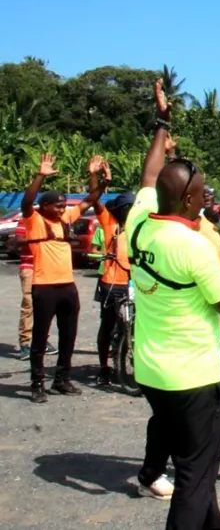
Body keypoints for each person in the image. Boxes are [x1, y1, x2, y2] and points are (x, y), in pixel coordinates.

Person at [127, 79, 220, 529]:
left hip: (153, 373)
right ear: (189, 199)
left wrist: (162, 123)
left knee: (197, 473)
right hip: (196, 378)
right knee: (195, 479)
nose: (206, 198)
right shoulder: (193, 245)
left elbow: (149, 174)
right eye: (201, 192)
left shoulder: (140, 222)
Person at [23, 153, 105, 402]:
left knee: (69, 335)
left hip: (67, 286)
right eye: (57, 205)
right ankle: (37, 384)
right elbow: (27, 202)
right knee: (40, 336)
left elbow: (91, 199)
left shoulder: (66, 220)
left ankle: (61, 379)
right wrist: (40, 176)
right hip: (44, 287)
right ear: (44, 206)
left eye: (63, 205)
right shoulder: (35, 220)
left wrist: (95, 176)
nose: (62, 209)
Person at [93, 190, 134, 386]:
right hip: (112, 284)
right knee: (108, 326)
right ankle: (103, 367)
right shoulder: (111, 225)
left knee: (132, 327)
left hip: (135, 285)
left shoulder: (141, 228)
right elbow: (95, 201)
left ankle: (128, 363)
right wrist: (100, 182)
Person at [14, 214, 57, 361]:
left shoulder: (51, 220)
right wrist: (40, 238)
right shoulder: (25, 221)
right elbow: (18, 241)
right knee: (29, 304)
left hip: (47, 266)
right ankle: (25, 343)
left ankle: (42, 340)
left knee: (46, 304)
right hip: (29, 266)